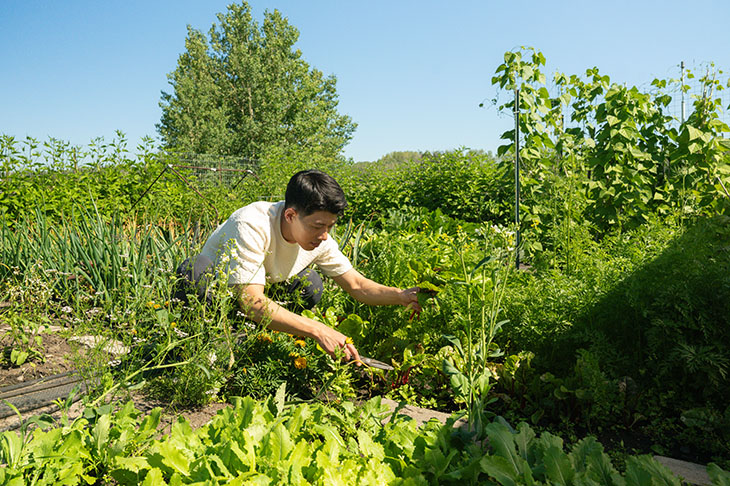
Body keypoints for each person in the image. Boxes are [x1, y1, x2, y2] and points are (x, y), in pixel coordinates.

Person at [178, 169, 421, 363]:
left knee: (310, 284)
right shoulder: (252, 224)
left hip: (261, 293)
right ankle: (200, 343)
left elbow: (357, 285)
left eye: (330, 226)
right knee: (194, 271)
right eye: (317, 226)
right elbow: (252, 302)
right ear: (290, 215)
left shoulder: (320, 238)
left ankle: (260, 338)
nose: (324, 235)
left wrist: (401, 296)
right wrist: (318, 330)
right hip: (218, 296)